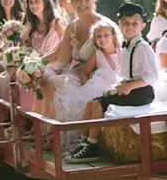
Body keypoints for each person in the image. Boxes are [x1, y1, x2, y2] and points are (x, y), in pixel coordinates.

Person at [65, 3, 159, 163]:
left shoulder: (143, 48)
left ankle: (93, 146)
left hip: (142, 92)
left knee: (99, 105)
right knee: (92, 103)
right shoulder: (128, 47)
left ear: (142, 25)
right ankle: (84, 142)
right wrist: (119, 85)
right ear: (120, 25)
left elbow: (152, 77)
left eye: (134, 24)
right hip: (131, 88)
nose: (130, 27)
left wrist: (129, 86)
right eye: (126, 23)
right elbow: (126, 74)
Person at [34, 0, 108, 148]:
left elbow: (114, 57)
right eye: (78, 0)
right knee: (49, 81)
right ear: (72, 3)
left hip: (101, 74)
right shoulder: (71, 27)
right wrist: (45, 73)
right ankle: (51, 132)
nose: (83, 4)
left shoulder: (103, 24)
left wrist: (88, 67)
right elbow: (63, 60)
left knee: (58, 84)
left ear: (94, 0)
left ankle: (60, 136)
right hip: (78, 73)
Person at [52, 18, 123, 147]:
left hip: (117, 84)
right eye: (99, 36)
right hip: (99, 84)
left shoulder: (122, 52)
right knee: (86, 105)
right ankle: (84, 140)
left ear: (113, 36)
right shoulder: (97, 54)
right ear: (94, 39)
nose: (103, 39)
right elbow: (84, 72)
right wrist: (85, 86)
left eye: (106, 35)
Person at [0, 0, 65, 108]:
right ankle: (17, 119)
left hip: (54, 66)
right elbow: (23, 46)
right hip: (34, 64)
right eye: (30, 2)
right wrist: (17, 64)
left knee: (30, 81)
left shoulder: (57, 22)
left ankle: (31, 121)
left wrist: (38, 65)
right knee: (6, 78)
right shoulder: (32, 24)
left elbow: (65, 49)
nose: (33, 5)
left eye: (37, 1)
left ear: (45, 1)